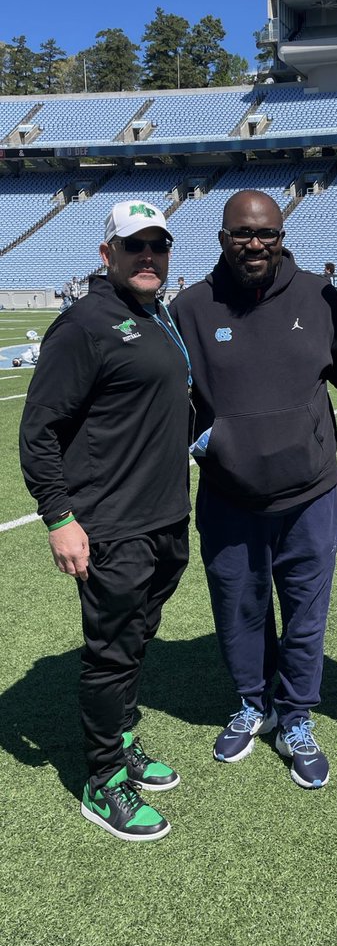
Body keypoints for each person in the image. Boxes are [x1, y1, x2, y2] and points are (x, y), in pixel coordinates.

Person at [20, 200, 192, 841]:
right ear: (107, 254)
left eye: (159, 246)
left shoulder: (154, 315)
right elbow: (39, 431)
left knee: (135, 642)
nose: (149, 257)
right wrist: (59, 516)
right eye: (135, 246)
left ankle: (118, 744)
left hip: (165, 518)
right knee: (111, 653)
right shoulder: (86, 323)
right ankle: (102, 780)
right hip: (112, 524)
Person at [170, 190, 337, 790]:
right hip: (229, 495)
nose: (255, 244)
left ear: (280, 236)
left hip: (311, 493)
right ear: (222, 238)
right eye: (242, 234)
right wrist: (209, 443)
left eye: (266, 233)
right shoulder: (190, 307)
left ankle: (295, 717)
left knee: (305, 613)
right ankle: (252, 703)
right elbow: (170, 397)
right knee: (239, 610)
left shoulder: (321, 298)